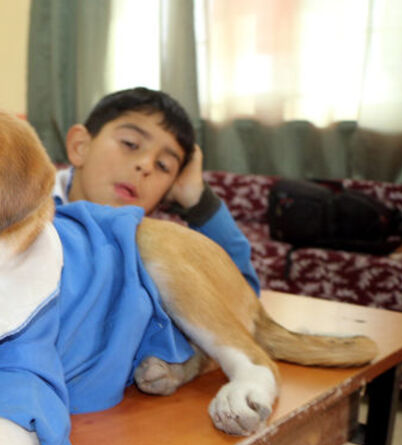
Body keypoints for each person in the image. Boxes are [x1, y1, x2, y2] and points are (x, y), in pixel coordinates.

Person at [56, 87, 260, 393]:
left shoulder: (149, 244)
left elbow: (242, 302)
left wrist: (197, 201)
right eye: (130, 144)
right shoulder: (26, 212)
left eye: (164, 166)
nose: (146, 165)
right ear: (80, 145)